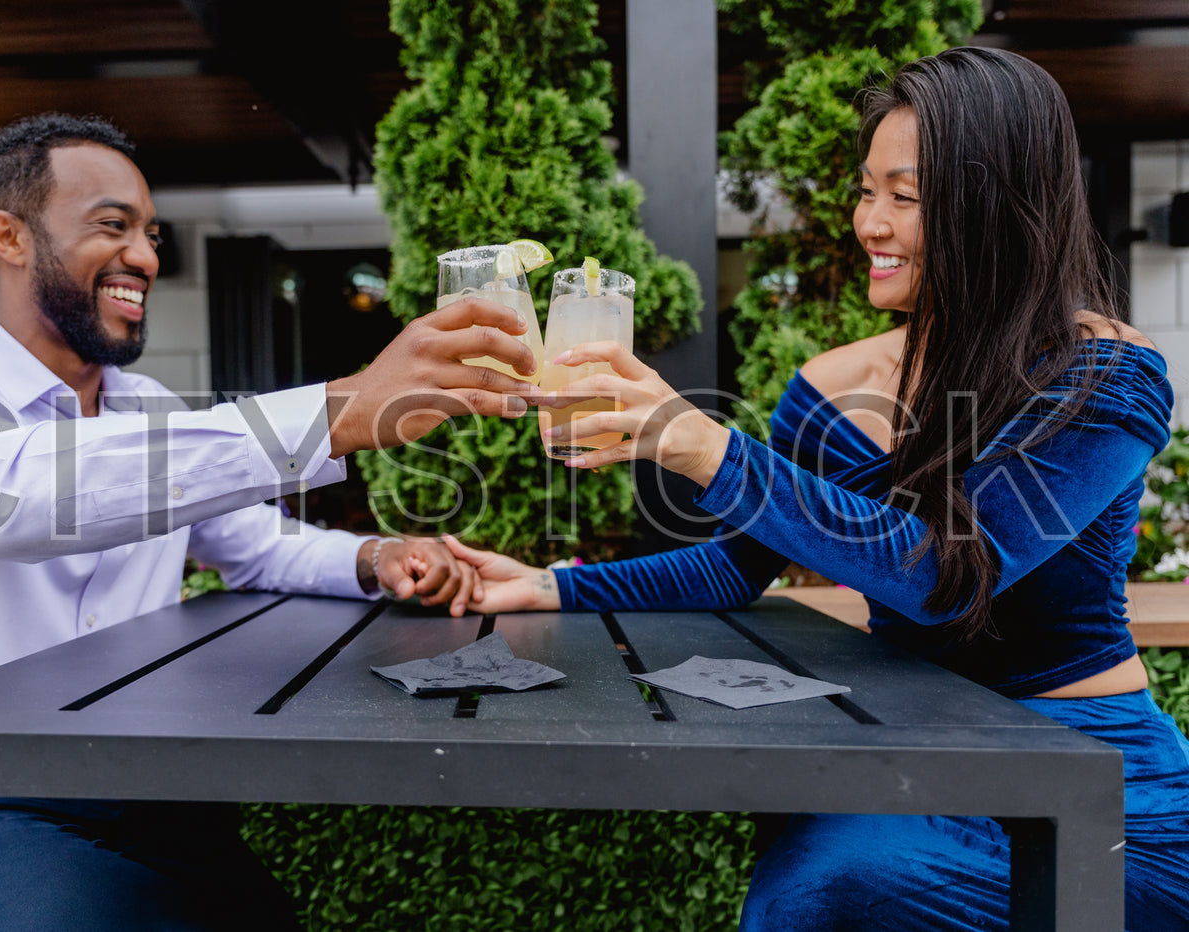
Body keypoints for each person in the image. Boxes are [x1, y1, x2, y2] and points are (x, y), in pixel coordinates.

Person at [447, 47, 1189, 929]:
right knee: (821, 863)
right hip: (909, 758)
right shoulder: (833, 387)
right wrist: (545, 585)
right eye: (865, 189)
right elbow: (741, 567)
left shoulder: (1105, 375)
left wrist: (700, 445)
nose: (868, 222)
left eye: (904, 197)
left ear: (997, 208)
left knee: (829, 879)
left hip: (1096, 785)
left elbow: (945, 574)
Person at [0, 112, 541, 930]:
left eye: (152, 234)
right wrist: (334, 413)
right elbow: (12, 497)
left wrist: (376, 557)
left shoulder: (148, 409)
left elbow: (254, 543)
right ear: (9, 237)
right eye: (112, 227)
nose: (146, 257)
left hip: (160, 793)